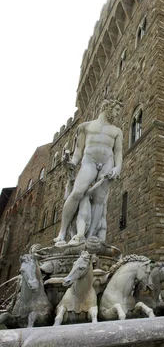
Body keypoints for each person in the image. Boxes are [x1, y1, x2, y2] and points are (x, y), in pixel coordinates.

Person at [54, 98, 123, 245]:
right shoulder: (85, 126)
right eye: (116, 110)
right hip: (89, 160)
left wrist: (118, 167)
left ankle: (90, 235)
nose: (117, 114)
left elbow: (118, 152)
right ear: (107, 107)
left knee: (99, 200)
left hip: (107, 162)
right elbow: (79, 150)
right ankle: (62, 232)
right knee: (77, 192)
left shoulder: (117, 131)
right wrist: (72, 162)